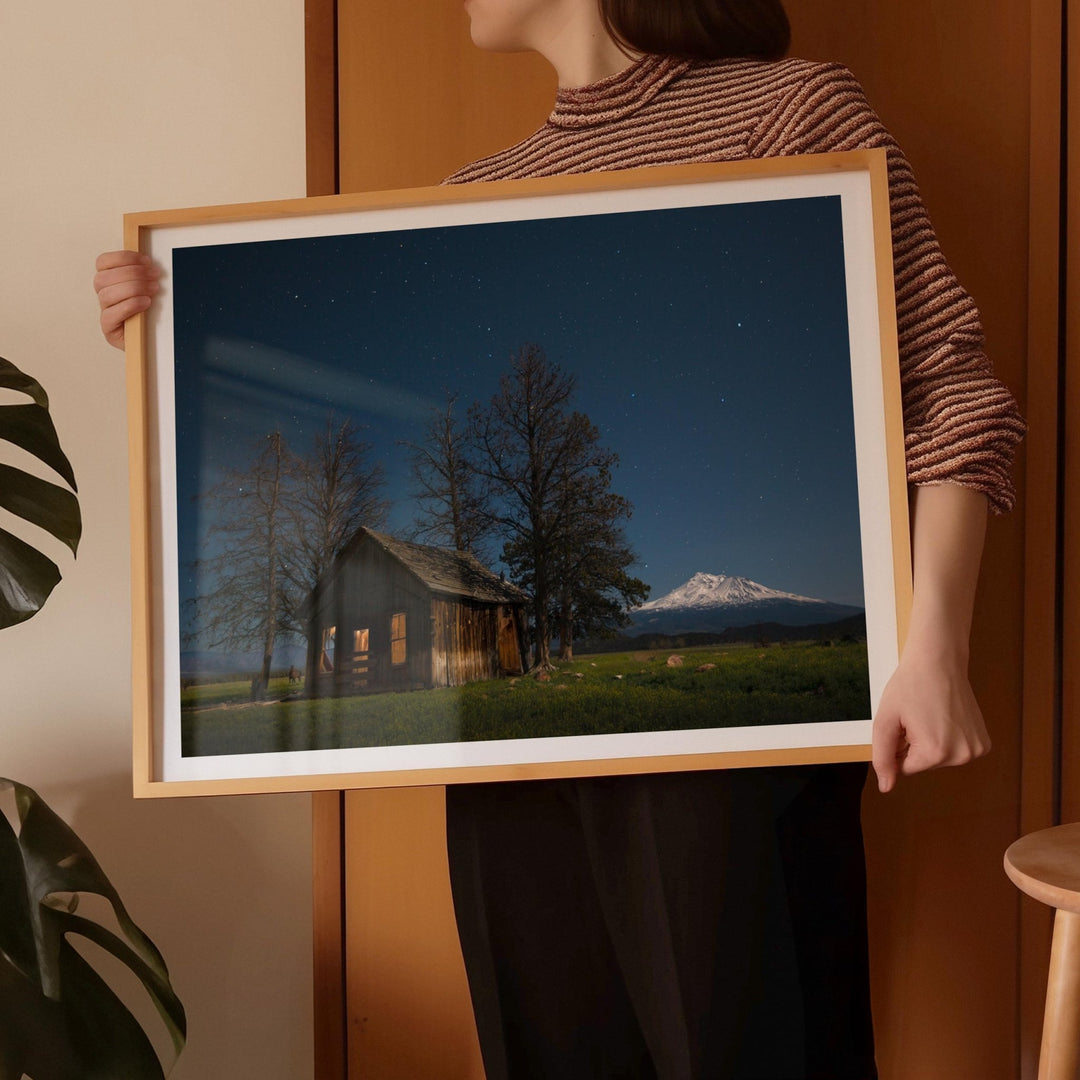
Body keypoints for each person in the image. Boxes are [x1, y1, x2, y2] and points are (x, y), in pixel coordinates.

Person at [95, 2, 1024, 1076]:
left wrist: (935, 648)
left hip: (732, 773)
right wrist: (177, 316)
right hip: (505, 775)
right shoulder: (471, 202)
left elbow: (952, 391)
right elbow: (330, 416)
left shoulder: (790, 112)